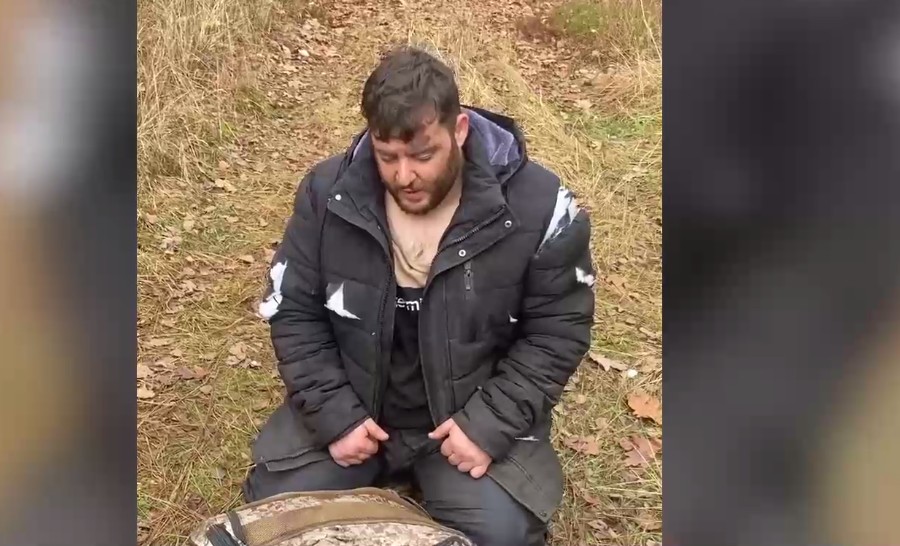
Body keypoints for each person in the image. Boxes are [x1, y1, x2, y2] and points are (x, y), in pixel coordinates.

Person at [243, 46, 595, 546]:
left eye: (423, 155)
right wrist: (336, 417)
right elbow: (294, 310)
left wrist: (487, 425)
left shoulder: (539, 208)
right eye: (387, 157)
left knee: (504, 535)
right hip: (359, 408)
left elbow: (557, 330)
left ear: (460, 130)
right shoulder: (328, 194)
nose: (404, 176)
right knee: (274, 516)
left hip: (466, 416)